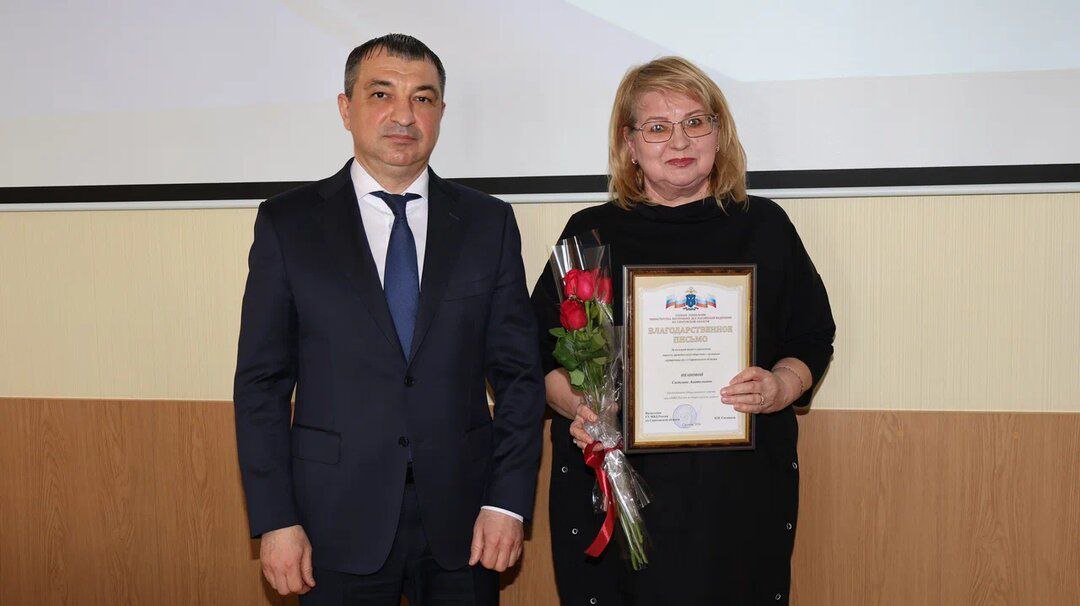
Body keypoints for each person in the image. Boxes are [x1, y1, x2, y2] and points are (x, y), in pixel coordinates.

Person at [234, 34, 546, 605]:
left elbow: (520, 377)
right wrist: (276, 518)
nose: (404, 115)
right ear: (345, 107)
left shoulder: (488, 223)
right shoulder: (288, 224)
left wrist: (507, 502)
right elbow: (262, 384)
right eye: (381, 94)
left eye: (422, 98)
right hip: (330, 520)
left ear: (441, 112)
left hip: (467, 521)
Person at [530, 56, 836, 605]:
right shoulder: (589, 235)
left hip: (736, 498)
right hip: (617, 492)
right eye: (657, 127)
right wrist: (583, 409)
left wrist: (779, 387)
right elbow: (538, 355)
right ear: (629, 143)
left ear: (719, 133)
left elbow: (812, 337)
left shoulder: (765, 226)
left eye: (695, 121)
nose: (679, 140)